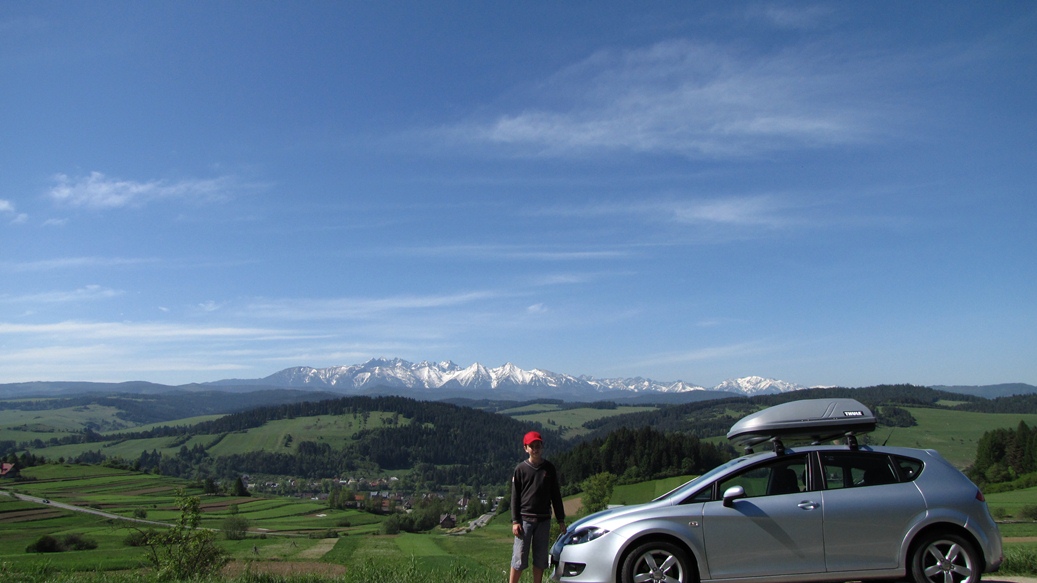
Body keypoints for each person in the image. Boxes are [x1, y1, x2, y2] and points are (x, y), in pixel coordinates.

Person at [510, 430, 566, 583]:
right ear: (526, 448)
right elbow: (515, 497)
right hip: (524, 520)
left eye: (538, 446)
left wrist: (561, 519)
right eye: (532, 446)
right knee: (519, 557)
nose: (535, 449)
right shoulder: (520, 469)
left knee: (540, 559)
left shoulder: (549, 468)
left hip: (544, 520)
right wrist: (515, 521)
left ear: (542, 447)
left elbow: (556, 495)